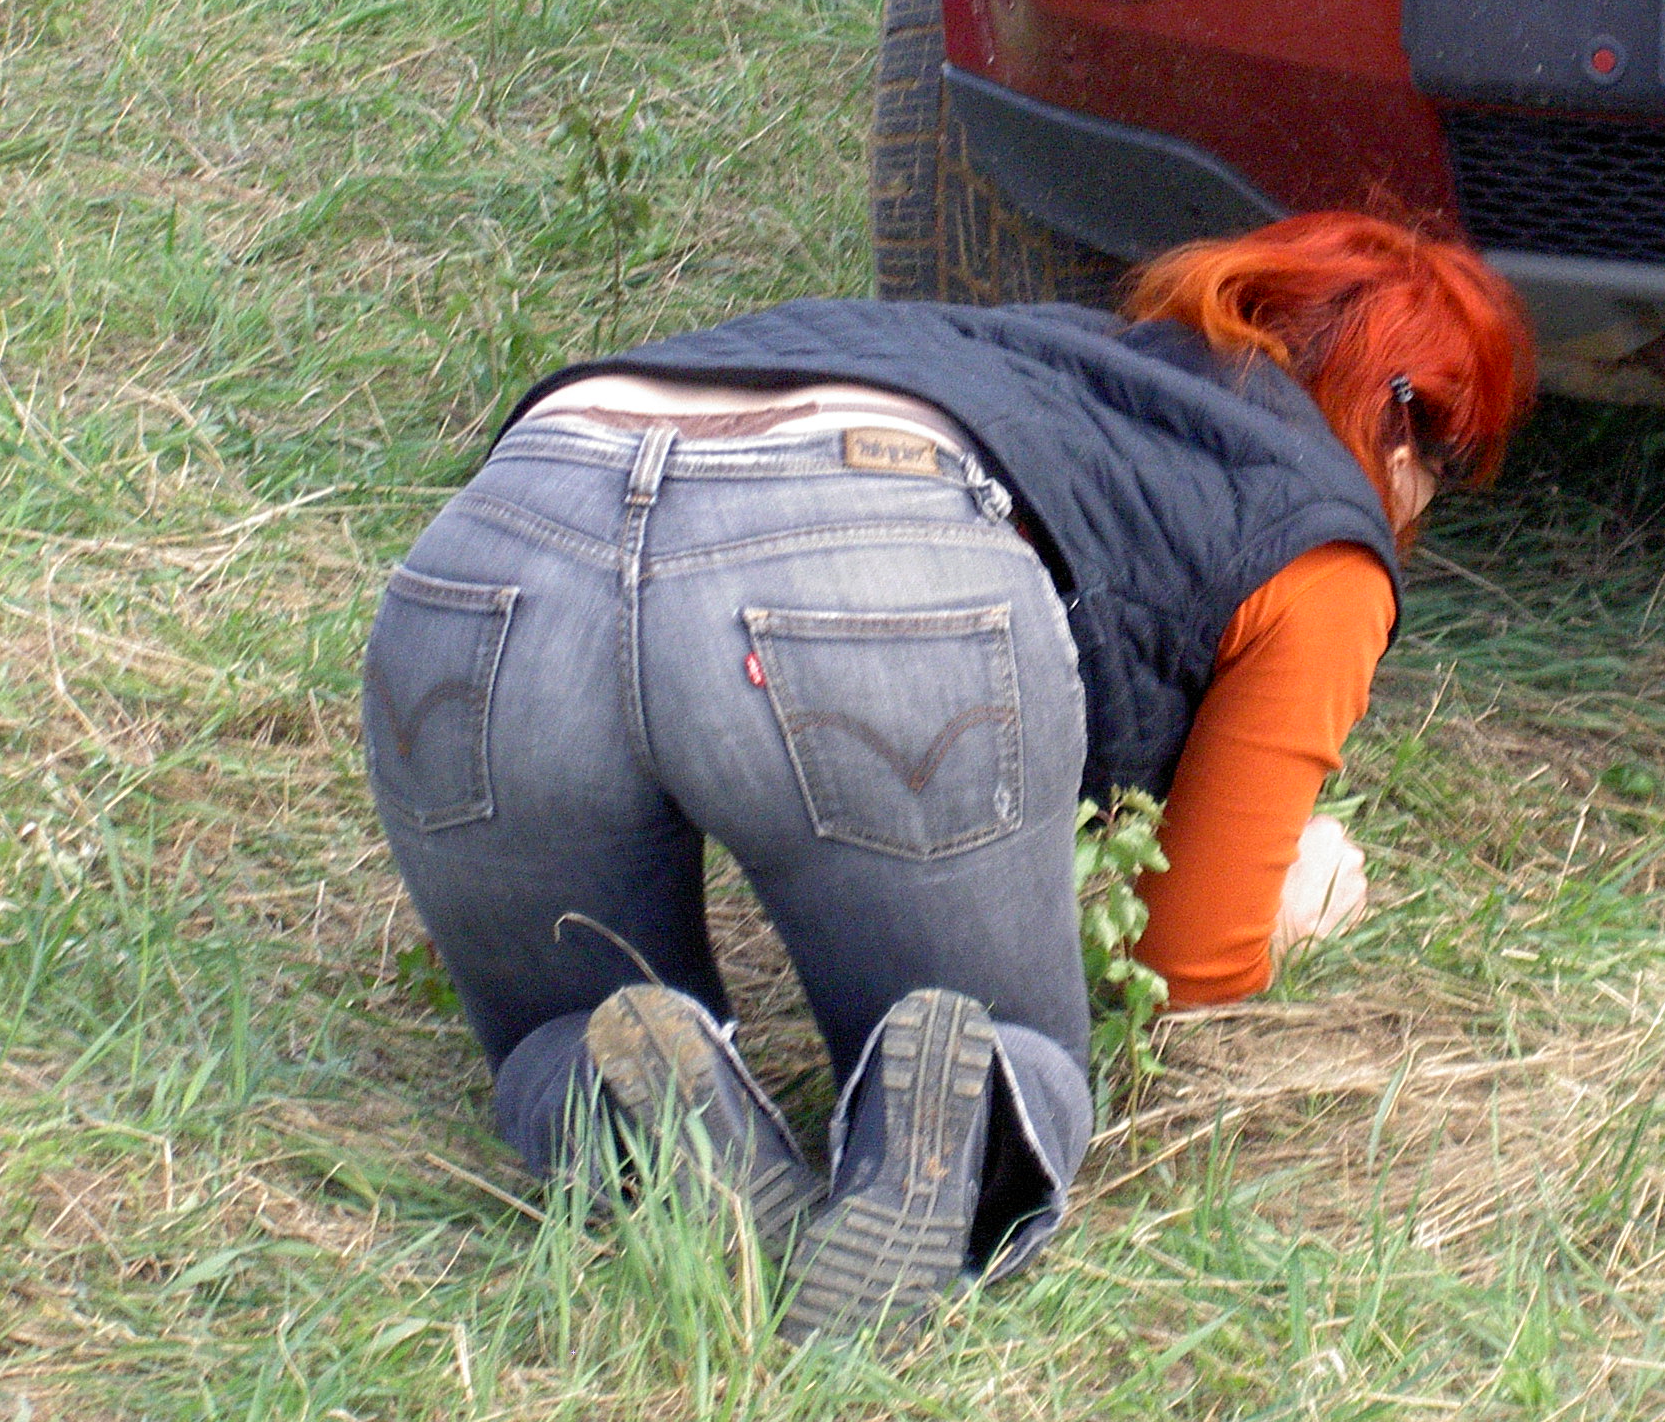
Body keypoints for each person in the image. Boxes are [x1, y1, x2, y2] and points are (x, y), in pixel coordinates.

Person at [360, 210, 1533, 1339]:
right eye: (1451, 463)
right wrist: (1297, 901)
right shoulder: (1323, 540)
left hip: (493, 551)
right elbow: (1192, 963)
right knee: (1005, 1055)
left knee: (558, 1028)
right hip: (857, 570)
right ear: (1400, 427)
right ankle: (960, 1120)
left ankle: (616, 1084)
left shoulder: (1030, 354)